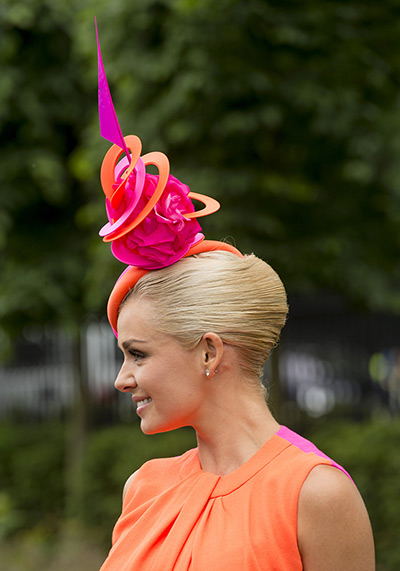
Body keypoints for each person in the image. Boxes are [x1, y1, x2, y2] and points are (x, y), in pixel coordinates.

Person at [95, 24, 375, 570]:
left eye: (138, 353)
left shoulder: (315, 495)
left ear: (209, 351)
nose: (120, 378)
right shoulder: (143, 488)